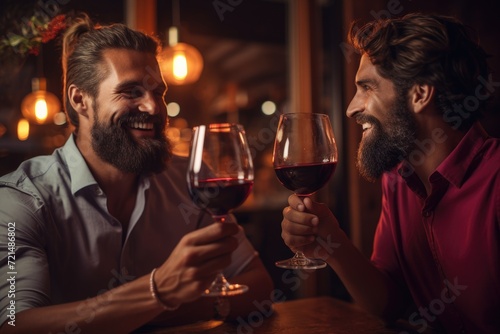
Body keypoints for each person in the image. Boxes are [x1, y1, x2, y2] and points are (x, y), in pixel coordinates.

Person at [0, 13, 273, 333]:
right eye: (131, 92)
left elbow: (258, 286)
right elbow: (15, 323)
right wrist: (159, 290)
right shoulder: (20, 199)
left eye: (158, 92)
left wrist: (159, 309)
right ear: (80, 100)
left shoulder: (192, 181)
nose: (154, 107)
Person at [280, 13, 499, 334]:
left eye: (367, 87)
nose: (351, 108)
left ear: (420, 94)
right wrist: (330, 243)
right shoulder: (397, 181)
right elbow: (387, 305)